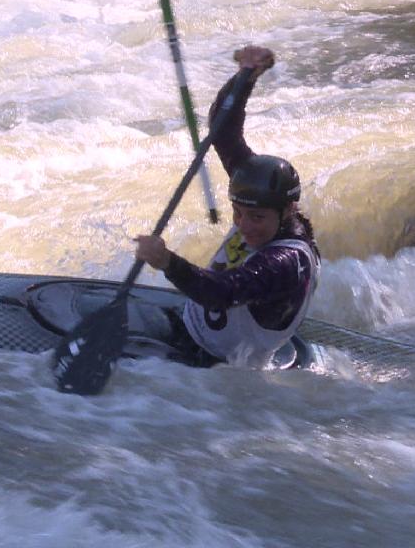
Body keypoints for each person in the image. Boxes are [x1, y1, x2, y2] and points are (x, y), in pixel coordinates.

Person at [134, 45, 320, 368]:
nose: (244, 225)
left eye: (256, 218)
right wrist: (246, 76)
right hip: (190, 326)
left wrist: (166, 261)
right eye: (238, 213)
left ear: (288, 210)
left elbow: (222, 292)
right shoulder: (260, 197)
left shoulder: (285, 262)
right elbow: (223, 131)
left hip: (215, 366)